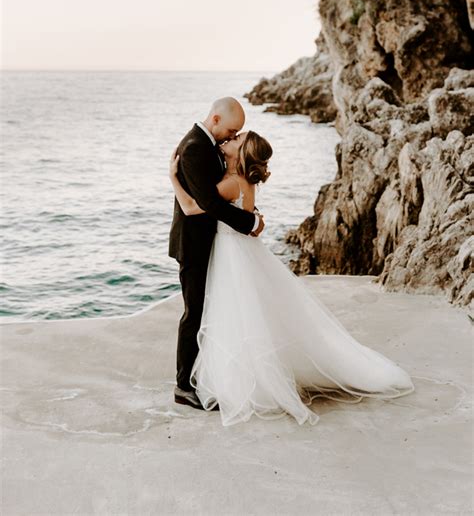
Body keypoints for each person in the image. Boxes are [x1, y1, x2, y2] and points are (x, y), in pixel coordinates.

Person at [169, 127, 415, 427]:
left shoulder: (233, 182)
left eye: (237, 139)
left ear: (243, 153)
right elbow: (245, 216)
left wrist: (173, 179)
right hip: (239, 250)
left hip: (231, 254)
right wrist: (254, 220)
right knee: (246, 314)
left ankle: (240, 380)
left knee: (235, 315)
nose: (230, 139)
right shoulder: (241, 181)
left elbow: (192, 206)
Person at [168, 97, 265, 411]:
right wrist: (250, 222)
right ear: (215, 119)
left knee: (210, 313)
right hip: (194, 245)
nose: (233, 135)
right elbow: (208, 204)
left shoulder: (210, 146)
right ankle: (184, 386)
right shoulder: (195, 147)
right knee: (193, 313)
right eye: (232, 129)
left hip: (213, 243)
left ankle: (203, 374)